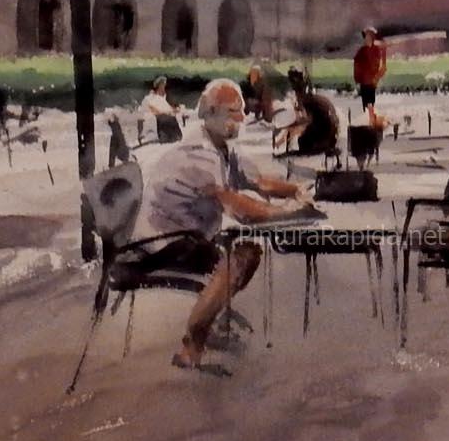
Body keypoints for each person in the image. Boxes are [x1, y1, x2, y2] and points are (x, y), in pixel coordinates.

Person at [140, 78, 314, 369]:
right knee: (242, 256)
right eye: (234, 112)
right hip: (163, 241)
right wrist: (288, 213)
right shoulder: (198, 153)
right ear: (211, 113)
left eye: (242, 111)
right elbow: (240, 209)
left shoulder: (221, 146)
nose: (243, 118)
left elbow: (259, 181)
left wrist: (295, 190)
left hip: (188, 235)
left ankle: (209, 323)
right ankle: (191, 346)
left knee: (248, 252)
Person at [276, 66, 339, 159]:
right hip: (332, 136)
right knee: (302, 136)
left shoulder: (307, 101)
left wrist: (288, 128)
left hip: (324, 135)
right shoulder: (312, 99)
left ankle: (316, 147)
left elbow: (305, 120)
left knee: (302, 140)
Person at [352, 25, 388, 114]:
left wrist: (376, 78)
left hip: (372, 81)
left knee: (371, 102)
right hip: (364, 81)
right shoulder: (362, 51)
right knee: (366, 103)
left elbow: (380, 65)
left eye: (369, 36)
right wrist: (357, 80)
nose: (367, 38)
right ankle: (369, 117)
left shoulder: (376, 50)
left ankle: (370, 118)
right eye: (366, 36)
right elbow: (356, 65)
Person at [140, 76, 184, 142]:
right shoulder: (152, 97)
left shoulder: (165, 97)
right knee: (167, 138)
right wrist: (166, 112)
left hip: (169, 121)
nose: (164, 86)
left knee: (177, 136)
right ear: (159, 85)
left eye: (164, 84)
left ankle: (172, 135)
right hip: (161, 122)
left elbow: (170, 108)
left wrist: (174, 110)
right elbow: (153, 109)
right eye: (163, 84)